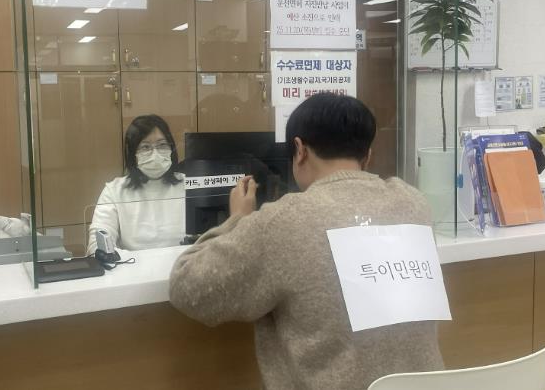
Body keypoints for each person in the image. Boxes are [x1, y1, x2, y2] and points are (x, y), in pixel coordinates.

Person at [169, 94, 443, 389]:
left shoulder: (285, 220)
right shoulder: (413, 203)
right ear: (367, 156)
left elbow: (188, 288)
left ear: (299, 150)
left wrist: (237, 221)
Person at [87, 115, 185, 254]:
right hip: (133, 266)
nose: (155, 154)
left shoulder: (190, 186)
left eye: (162, 145)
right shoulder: (115, 191)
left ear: (171, 148)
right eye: (145, 147)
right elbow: (97, 244)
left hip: (184, 265)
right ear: (133, 154)